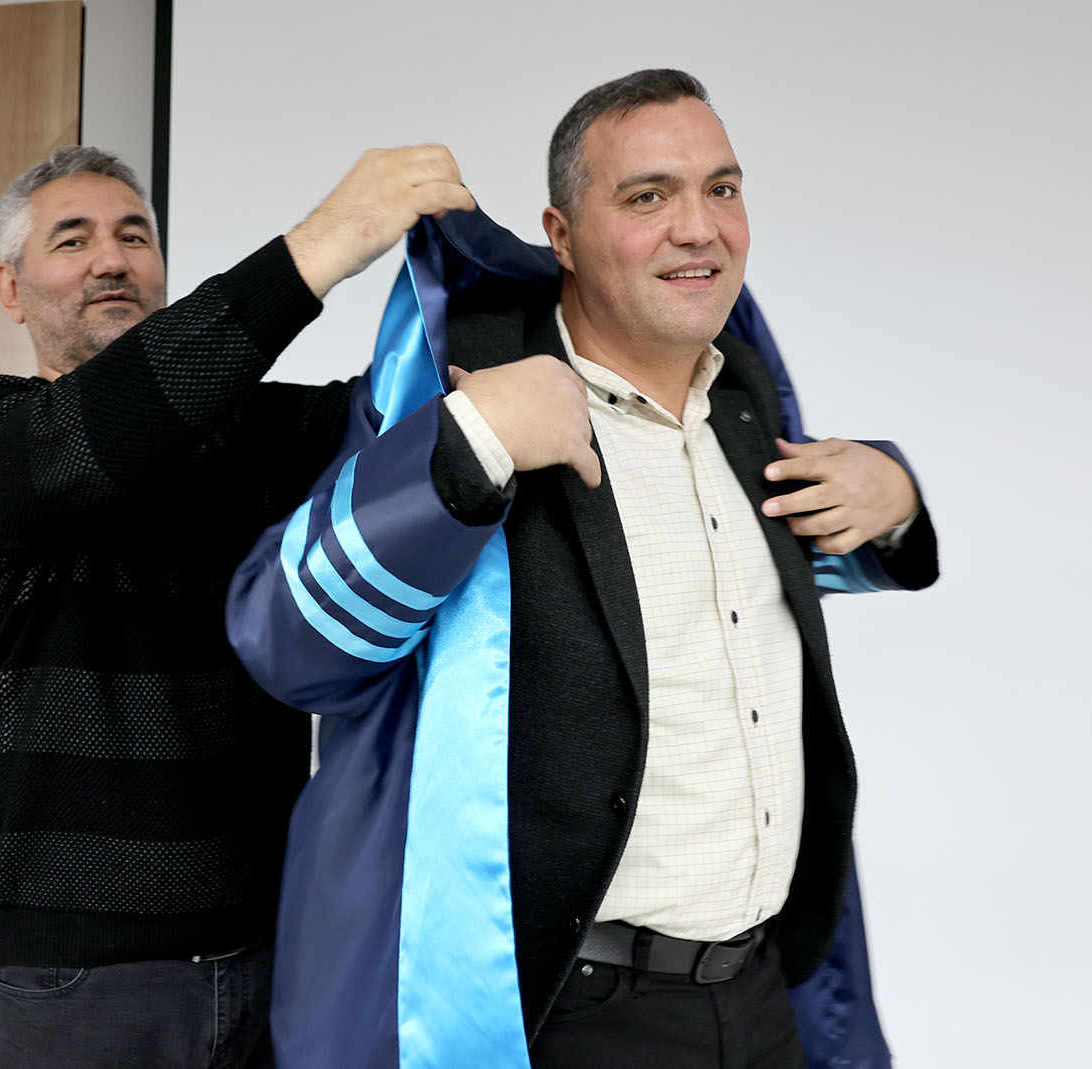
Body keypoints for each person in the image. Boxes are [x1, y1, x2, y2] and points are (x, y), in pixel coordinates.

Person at [226, 70, 938, 1069]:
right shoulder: (463, 392)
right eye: (648, 196)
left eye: (722, 189)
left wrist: (896, 499)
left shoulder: (743, 402)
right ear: (561, 235)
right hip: (574, 1015)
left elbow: (780, 568)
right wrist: (469, 446)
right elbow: (288, 641)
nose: (699, 227)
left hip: (760, 994)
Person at [0, 143, 473, 1068]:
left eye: (134, 236)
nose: (112, 258)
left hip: (273, 961)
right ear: (11, 289)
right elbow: (99, 433)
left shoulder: (258, 434)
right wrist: (322, 245)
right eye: (73, 239)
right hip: (82, 985)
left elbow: (420, 422)